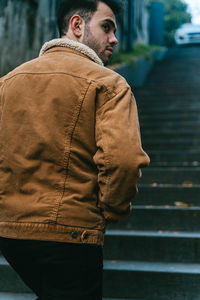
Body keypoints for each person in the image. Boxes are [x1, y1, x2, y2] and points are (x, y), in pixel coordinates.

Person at [0, 0, 150, 299]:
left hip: (11, 235)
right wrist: (110, 211)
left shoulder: (7, 83)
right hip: (72, 234)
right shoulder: (109, 84)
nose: (114, 39)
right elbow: (124, 161)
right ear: (77, 26)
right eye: (106, 27)